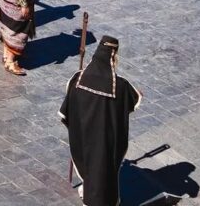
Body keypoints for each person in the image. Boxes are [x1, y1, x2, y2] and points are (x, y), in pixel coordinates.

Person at [60, 36, 142, 206]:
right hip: (105, 139)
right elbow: (134, 98)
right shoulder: (119, 86)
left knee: (88, 167)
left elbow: (67, 108)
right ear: (113, 57)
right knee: (103, 172)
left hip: (83, 136)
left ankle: (87, 191)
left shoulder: (77, 79)